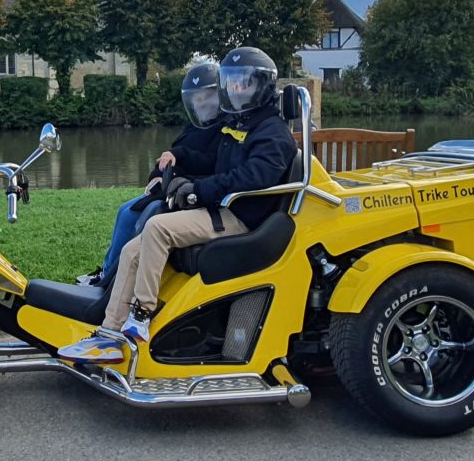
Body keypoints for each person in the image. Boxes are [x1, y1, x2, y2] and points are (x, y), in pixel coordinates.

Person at [59, 46, 298, 364]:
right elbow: (214, 160)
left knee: (157, 227)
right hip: (225, 209)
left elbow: (253, 177)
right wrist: (180, 157)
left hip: (243, 217)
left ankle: (142, 315)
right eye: (234, 82)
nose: (238, 89)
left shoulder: (272, 132)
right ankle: (110, 336)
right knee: (133, 250)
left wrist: (198, 191)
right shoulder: (242, 125)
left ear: (262, 87)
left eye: (246, 83)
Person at [75, 61, 223, 286]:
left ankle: (112, 277)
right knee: (124, 210)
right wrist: (156, 175)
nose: (201, 104)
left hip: (190, 191)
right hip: (171, 186)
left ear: (219, 97)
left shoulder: (223, 130)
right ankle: (107, 271)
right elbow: (168, 158)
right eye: (196, 99)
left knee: (132, 215)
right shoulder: (195, 127)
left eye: (206, 97)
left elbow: (208, 163)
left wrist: (179, 156)